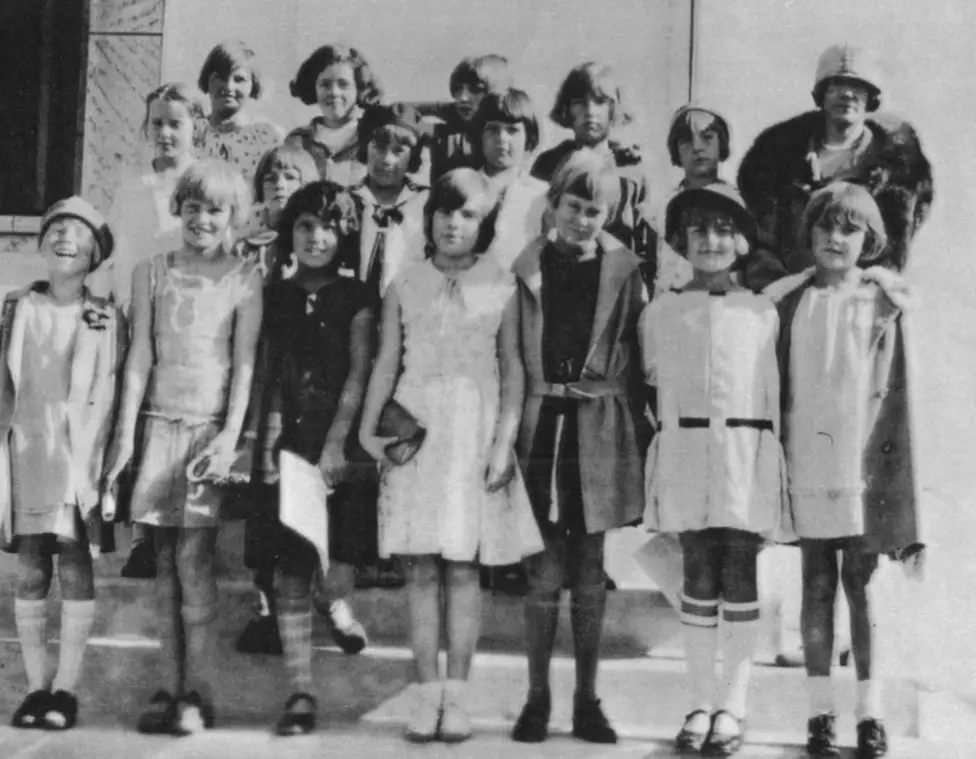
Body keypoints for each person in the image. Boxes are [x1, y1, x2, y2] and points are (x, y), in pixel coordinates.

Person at [359, 168, 539, 743]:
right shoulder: (403, 282)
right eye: (444, 211)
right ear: (429, 216)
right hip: (416, 428)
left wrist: (503, 442)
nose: (453, 223)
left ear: (483, 224)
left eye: (467, 214)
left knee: (462, 567)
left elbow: (512, 367)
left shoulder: (503, 283)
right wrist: (368, 429)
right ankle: (423, 697)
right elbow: (386, 359)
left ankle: (456, 699)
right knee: (418, 567)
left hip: (474, 428)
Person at [104, 160, 262, 736]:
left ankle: (199, 691)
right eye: (192, 206)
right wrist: (126, 433)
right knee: (164, 563)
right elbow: (140, 356)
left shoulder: (246, 277)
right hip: (156, 425)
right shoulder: (151, 271)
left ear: (233, 216)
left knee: (195, 562)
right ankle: (167, 685)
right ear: (179, 209)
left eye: (215, 209)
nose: (202, 218)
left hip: (206, 431)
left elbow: (244, 362)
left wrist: (229, 435)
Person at [767, 182, 921, 759]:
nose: (836, 238)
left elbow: (897, 396)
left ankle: (870, 712)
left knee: (861, 585)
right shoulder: (788, 302)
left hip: (860, 464)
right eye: (826, 225)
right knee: (815, 584)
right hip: (808, 457)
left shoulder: (883, 304)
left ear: (871, 240)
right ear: (809, 233)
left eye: (850, 229)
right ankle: (818, 714)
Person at [641, 183, 790, 756]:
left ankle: (735, 705)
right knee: (697, 571)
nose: (711, 240)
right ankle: (700, 702)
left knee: (740, 571)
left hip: (744, 453)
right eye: (699, 229)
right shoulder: (662, 309)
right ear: (681, 240)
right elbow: (653, 377)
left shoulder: (762, 312)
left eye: (725, 229)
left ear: (744, 241)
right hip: (686, 450)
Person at [510, 151, 650, 745]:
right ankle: (536, 697)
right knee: (542, 571)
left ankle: (587, 699)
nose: (583, 219)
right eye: (574, 206)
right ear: (554, 204)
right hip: (541, 423)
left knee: (590, 568)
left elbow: (640, 356)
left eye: (596, 210)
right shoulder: (528, 266)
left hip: (597, 425)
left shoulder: (624, 269)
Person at [254, 181, 376, 735]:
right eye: (305, 225)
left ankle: (335, 605)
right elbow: (269, 370)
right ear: (291, 232)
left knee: (338, 567)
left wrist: (337, 442)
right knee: (290, 570)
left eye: (328, 226)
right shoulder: (274, 294)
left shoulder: (357, 297)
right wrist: (273, 441)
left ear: (345, 234)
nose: (316, 237)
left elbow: (357, 373)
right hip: (288, 445)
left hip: (339, 442)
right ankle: (300, 692)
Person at [2, 198, 123, 731]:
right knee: (30, 570)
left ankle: (67, 690)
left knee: (74, 564)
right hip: (28, 451)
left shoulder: (103, 316)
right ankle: (34, 687)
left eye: (77, 233)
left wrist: (109, 464)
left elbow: (113, 390)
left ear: (95, 252)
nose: (64, 240)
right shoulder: (16, 307)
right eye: (55, 230)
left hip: (78, 458)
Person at [87, 82, 206, 580]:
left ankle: (180, 530)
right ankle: (140, 535)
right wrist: (100, 300)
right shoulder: (133, 181)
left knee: (177, 421)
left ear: (195, 127)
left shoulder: (202, 182)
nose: (164, 133)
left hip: (188, 320)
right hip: (138, 314)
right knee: (135, 420)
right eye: (156, 123)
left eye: (175, 123)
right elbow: (118, 248)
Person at [737, 43, 934, 292]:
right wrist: (781, 293)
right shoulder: (776, 163)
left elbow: (892, 248)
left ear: (870, 97)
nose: (847, 95)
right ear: (821, 94)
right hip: (787, 295)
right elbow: (761, 241)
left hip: (859, 297)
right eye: (837, 85)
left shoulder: (899, 173)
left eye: (857, 87)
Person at [233, 142, 318, 656]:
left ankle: (308, 601)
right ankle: (264, 600)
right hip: (259, 379)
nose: (279, 184)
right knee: (263, 496)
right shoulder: (247, 243)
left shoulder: (317, 241)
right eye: (271, 177)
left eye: (290, 176)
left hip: (306, 387)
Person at [531, 62, 657, 291]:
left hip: (615, 283)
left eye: (600, 102)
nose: (590, 111)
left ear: (614, 109)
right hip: (556, 281)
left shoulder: (631, 171)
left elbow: (643, 241)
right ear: (567, 109)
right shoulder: (549, 164)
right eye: (580, 103)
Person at [471, 88, 548, 272]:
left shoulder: (542, 195)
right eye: (492, 130)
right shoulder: (462, 186)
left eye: (512, 130)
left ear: (529, 139)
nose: (502, 138)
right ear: (480, 136)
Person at [286, 44, 383, 187]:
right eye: (325, 85)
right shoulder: (297, 142)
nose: (334, 92)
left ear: (360, 89)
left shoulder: (372, 139)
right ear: (314, 88)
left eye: (343, 84)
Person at [197, 40, 284, 182]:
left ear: (253, 85)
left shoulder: (268, 136)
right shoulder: (194, 132)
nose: (229, 86)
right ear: (207, 80)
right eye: (220, 78)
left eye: (239, 79)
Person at [422, 54, 513, 182]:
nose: (462, 98)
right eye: (458, 89)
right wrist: (445, 110)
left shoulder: (512, 137)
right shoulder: (449, 137)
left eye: (476, 89)